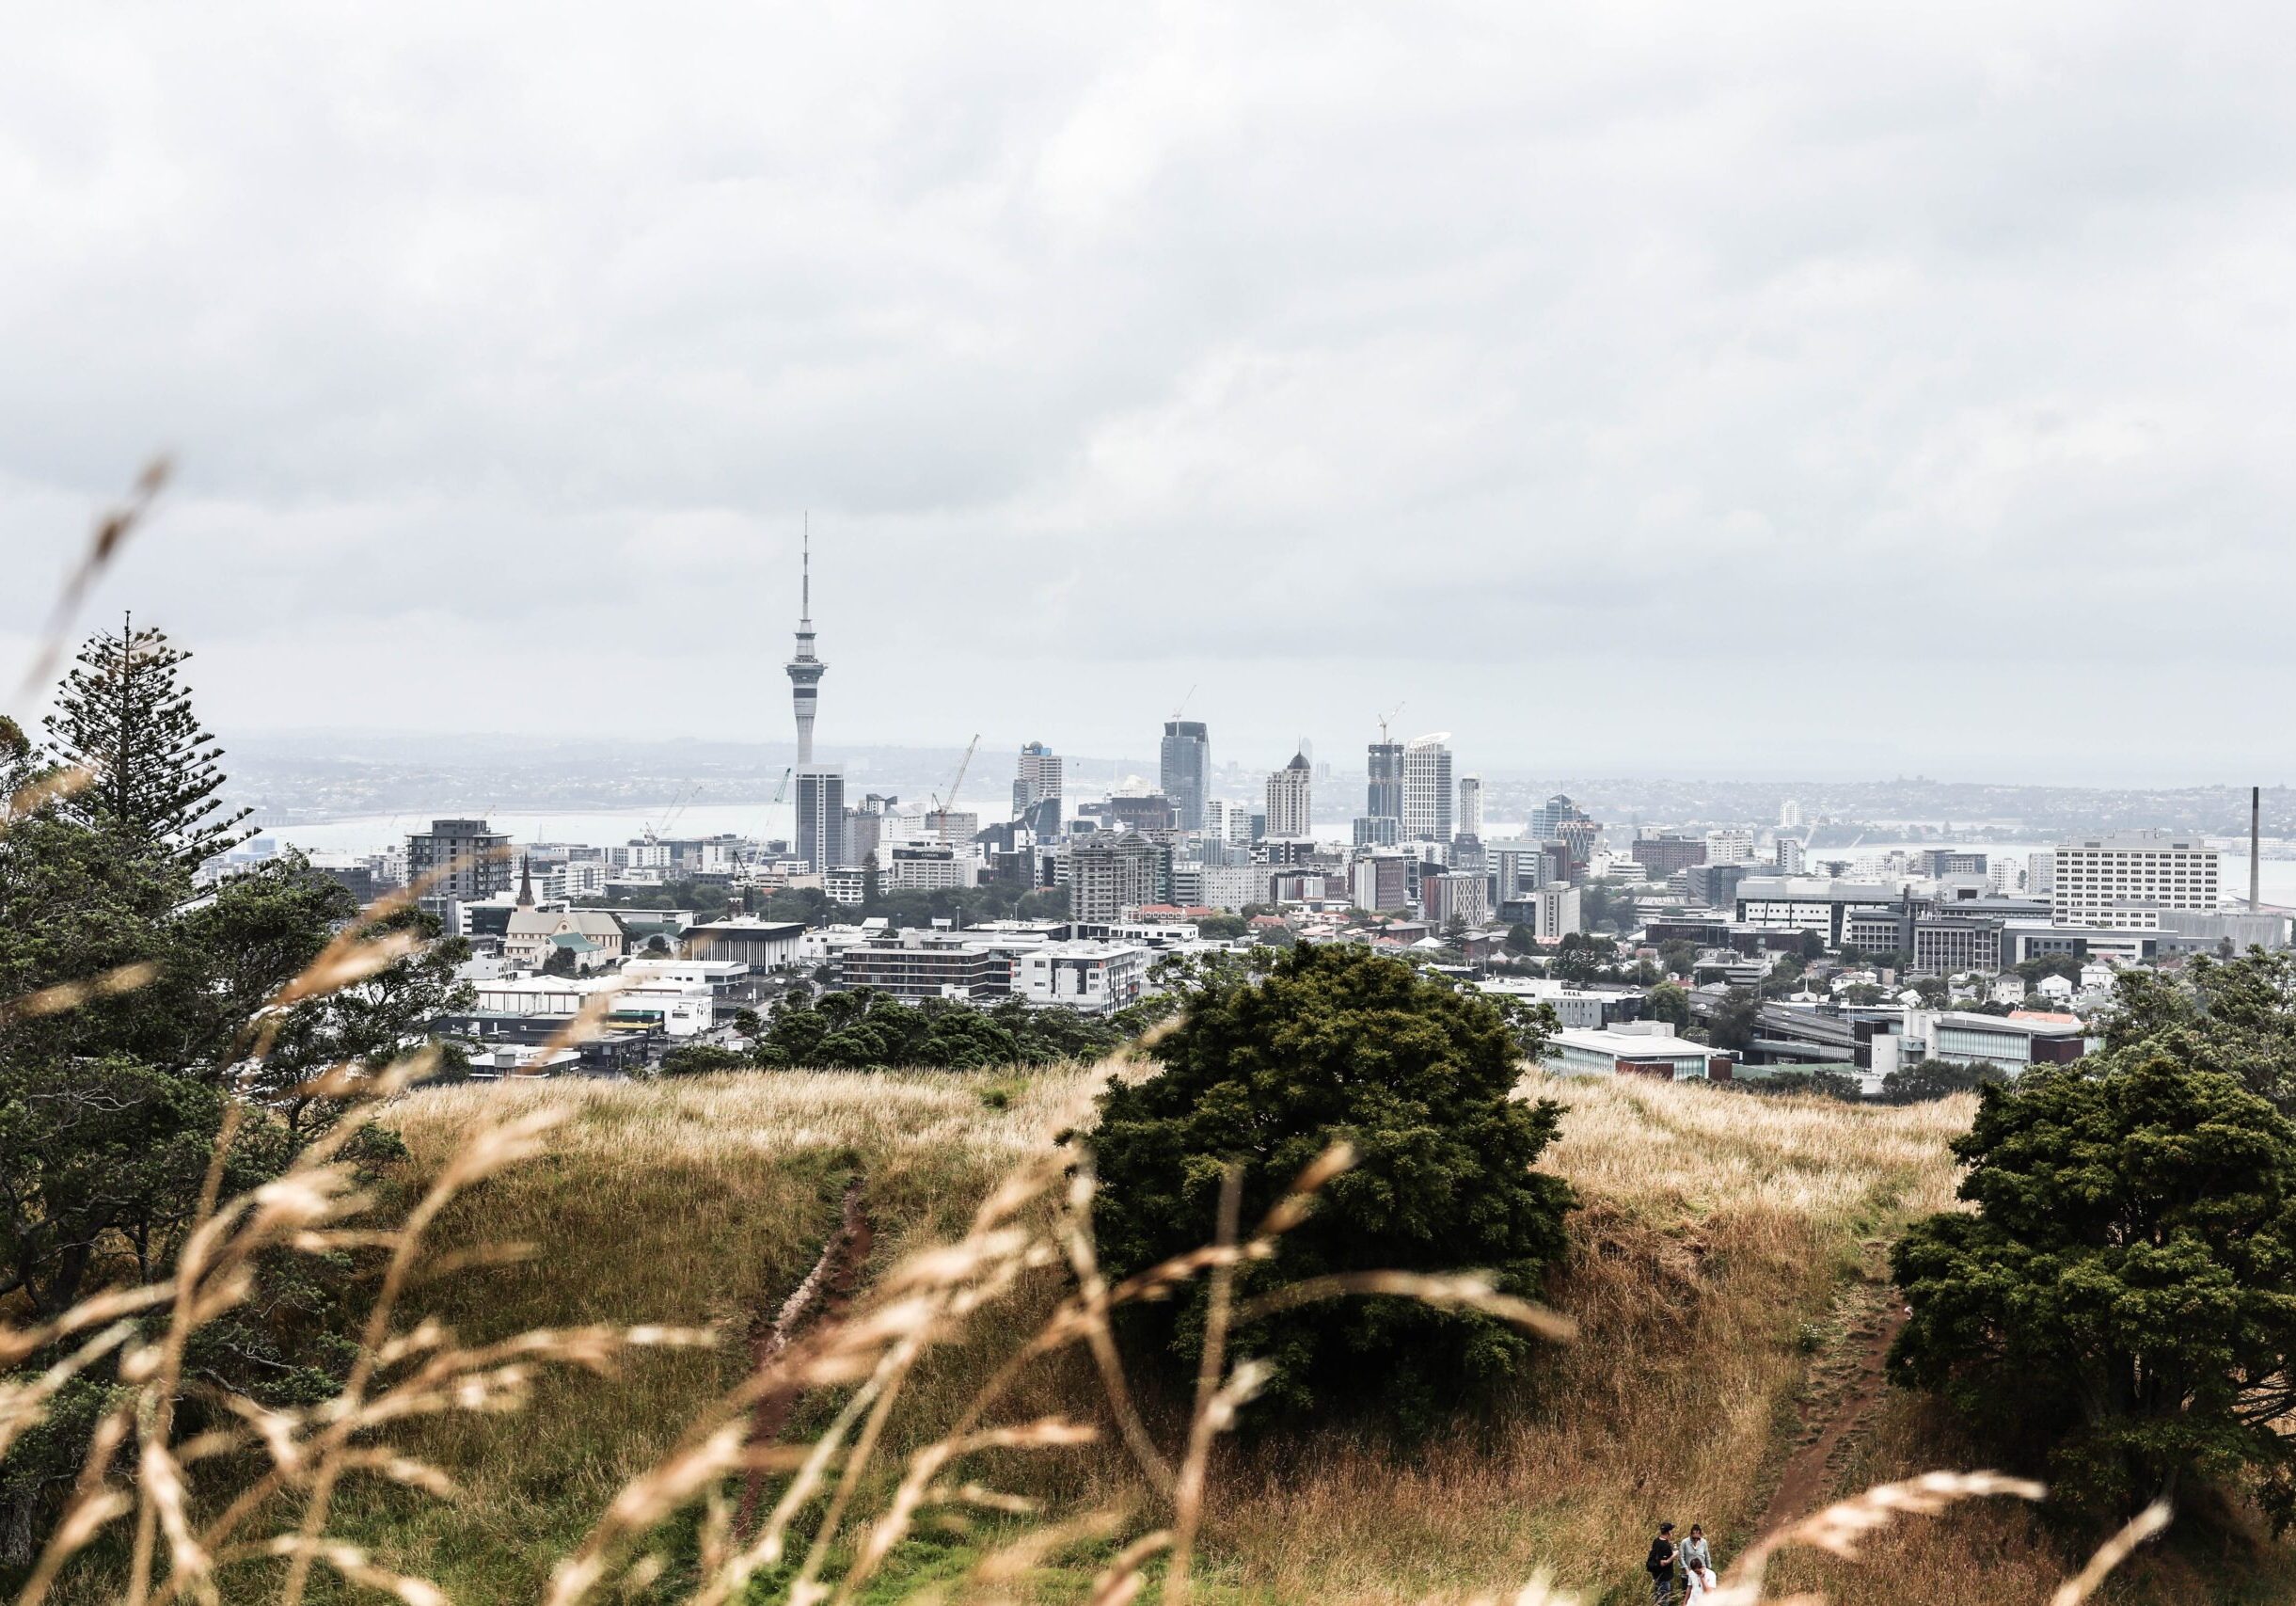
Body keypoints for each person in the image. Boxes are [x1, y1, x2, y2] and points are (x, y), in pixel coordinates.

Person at [1644, 1521, 1679, 1606]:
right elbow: (1663, 1562)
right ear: (1668, 1532)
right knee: (1664, 1601)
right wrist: (1674, 1555)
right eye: (1671, 1530)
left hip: (1656, 1575)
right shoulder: (1665, 1546)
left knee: (1658, 1599)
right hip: (1664, 1578)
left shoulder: (1656, 1541)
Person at [1680, 1524, 1717, 1602]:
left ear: (1700, 1535)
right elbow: (1681, 1557)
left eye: (1698, 1538)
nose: (1696, 1539)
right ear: (1691, 1534)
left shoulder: (1704, 1542)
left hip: (1701, 1569)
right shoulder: (1685, 1542)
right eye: (1694, 1538)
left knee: (1702, 1591)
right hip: (1689, 1571)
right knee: (1688, 1591)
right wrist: (1686, 1568)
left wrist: (1708, 1569)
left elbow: (1707, 1555)